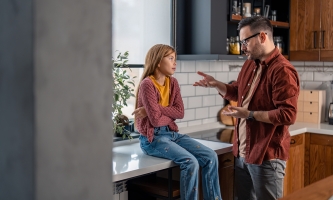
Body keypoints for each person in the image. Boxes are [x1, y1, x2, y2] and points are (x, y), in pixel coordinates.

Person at [193, 16, 300, 200]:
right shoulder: (250, 64)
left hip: (266, 156)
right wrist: (216, 84)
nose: (243, 47)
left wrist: (249, 114)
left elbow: (288, 114)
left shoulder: (282, 70)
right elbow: (237, 92)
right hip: (243, 153)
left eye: (246, 41)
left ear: (263, 37)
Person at [132, 44, 222, 200]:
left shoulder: (173, 83)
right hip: (153, 139)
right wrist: (163, 113)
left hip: (172, 134)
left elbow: (180, 113)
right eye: (171, 58)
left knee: (211, 156)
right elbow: (155, 120)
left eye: (175, 59)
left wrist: (156, 108)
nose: (175, 63)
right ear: (158, 61)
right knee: (190, 162)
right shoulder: (147, 84)